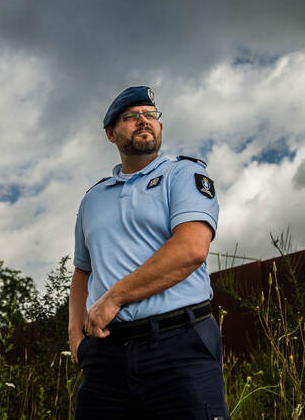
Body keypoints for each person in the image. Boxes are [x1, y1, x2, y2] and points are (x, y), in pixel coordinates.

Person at [68, 86, 229, 419]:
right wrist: (75, 335)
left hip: (179, 344)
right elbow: (83, 272)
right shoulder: (92, 200)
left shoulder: (183, 175)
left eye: (150, 115)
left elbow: (191, 249)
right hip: (106, 353)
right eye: (131, 116)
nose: (143, 120)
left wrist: (114, 298)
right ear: (111, 134)